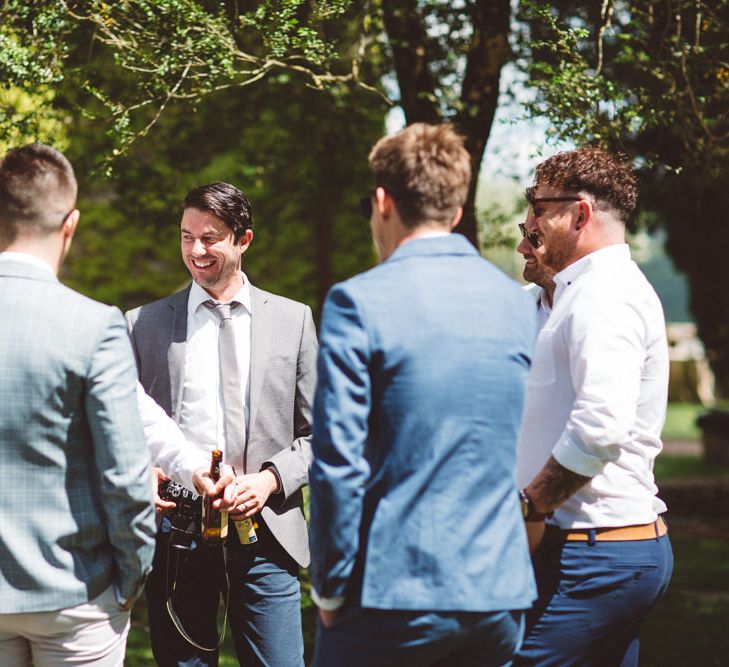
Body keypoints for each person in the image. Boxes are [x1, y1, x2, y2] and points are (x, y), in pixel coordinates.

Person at [309, 123, 538, 666]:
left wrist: (329, 588)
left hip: (396, 592)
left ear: (382, 202)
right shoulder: (513, 303)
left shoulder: (357, 302)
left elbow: (338, 463)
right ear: (456, 211)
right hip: (498, 594)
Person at [126, 182, 317, 667]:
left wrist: (270, 478)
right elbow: (122, 427)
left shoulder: (294, 321)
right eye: (187, 236)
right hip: (177, 535)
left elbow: (321, 435)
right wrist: (140, 471)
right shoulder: (141, 324)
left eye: (210, 238)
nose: (196, 250)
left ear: (243, 239)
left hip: (268, 533)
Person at [514, 148, 673, 666]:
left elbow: (600, 428)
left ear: (579, 214)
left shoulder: (605, 296)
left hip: (595, 552)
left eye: (537, 206)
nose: (530, 221)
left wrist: (530, 508)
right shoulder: (575, 294)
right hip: (598, 551)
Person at [0, 143, 156, 664]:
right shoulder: (94, 324)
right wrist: (131, 577)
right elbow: (126, 476)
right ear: (71, 224)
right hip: (75, 592)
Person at [517, 212, 556, 331]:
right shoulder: (514, 305)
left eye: (535, 235)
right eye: (524, 231)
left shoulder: (607, 309)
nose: (521, 248)